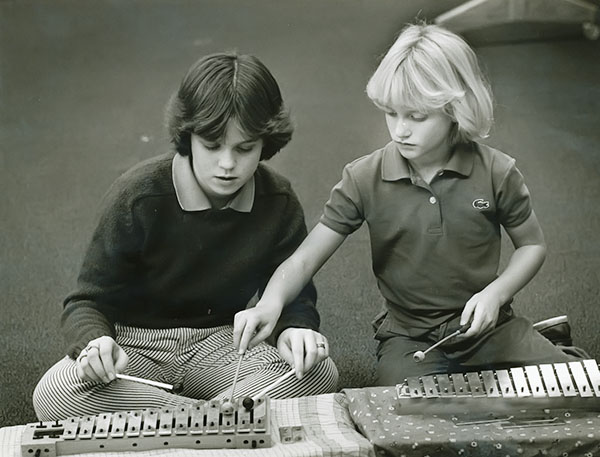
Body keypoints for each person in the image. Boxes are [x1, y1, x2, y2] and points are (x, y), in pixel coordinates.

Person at [233, 23, 587, 385]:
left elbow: (532, 245)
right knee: (406, 419)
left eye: (416, 117)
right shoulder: (363, 177)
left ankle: (552, 346)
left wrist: (496, 294)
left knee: (575, 388)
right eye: (391, 113)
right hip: (409, 337)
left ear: (455, 108)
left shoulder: (497, 171)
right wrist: (270, 303)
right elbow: (304, 259)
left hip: (489, 327)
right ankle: (537, 345)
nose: (399, 130)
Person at [33, 52, 338, 421]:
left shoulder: (278, 199)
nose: (228, 164)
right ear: (187, 135)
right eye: (212, 146)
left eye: (245, 149)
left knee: (319, 371)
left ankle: (184, 420)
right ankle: (217, 418)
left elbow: (295, 294)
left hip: (224, 345)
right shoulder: (138, 195)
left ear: (266, 141)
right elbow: (86, 300)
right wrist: (96, 345)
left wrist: (297, 331)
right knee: (55, 393)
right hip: (134, 346)